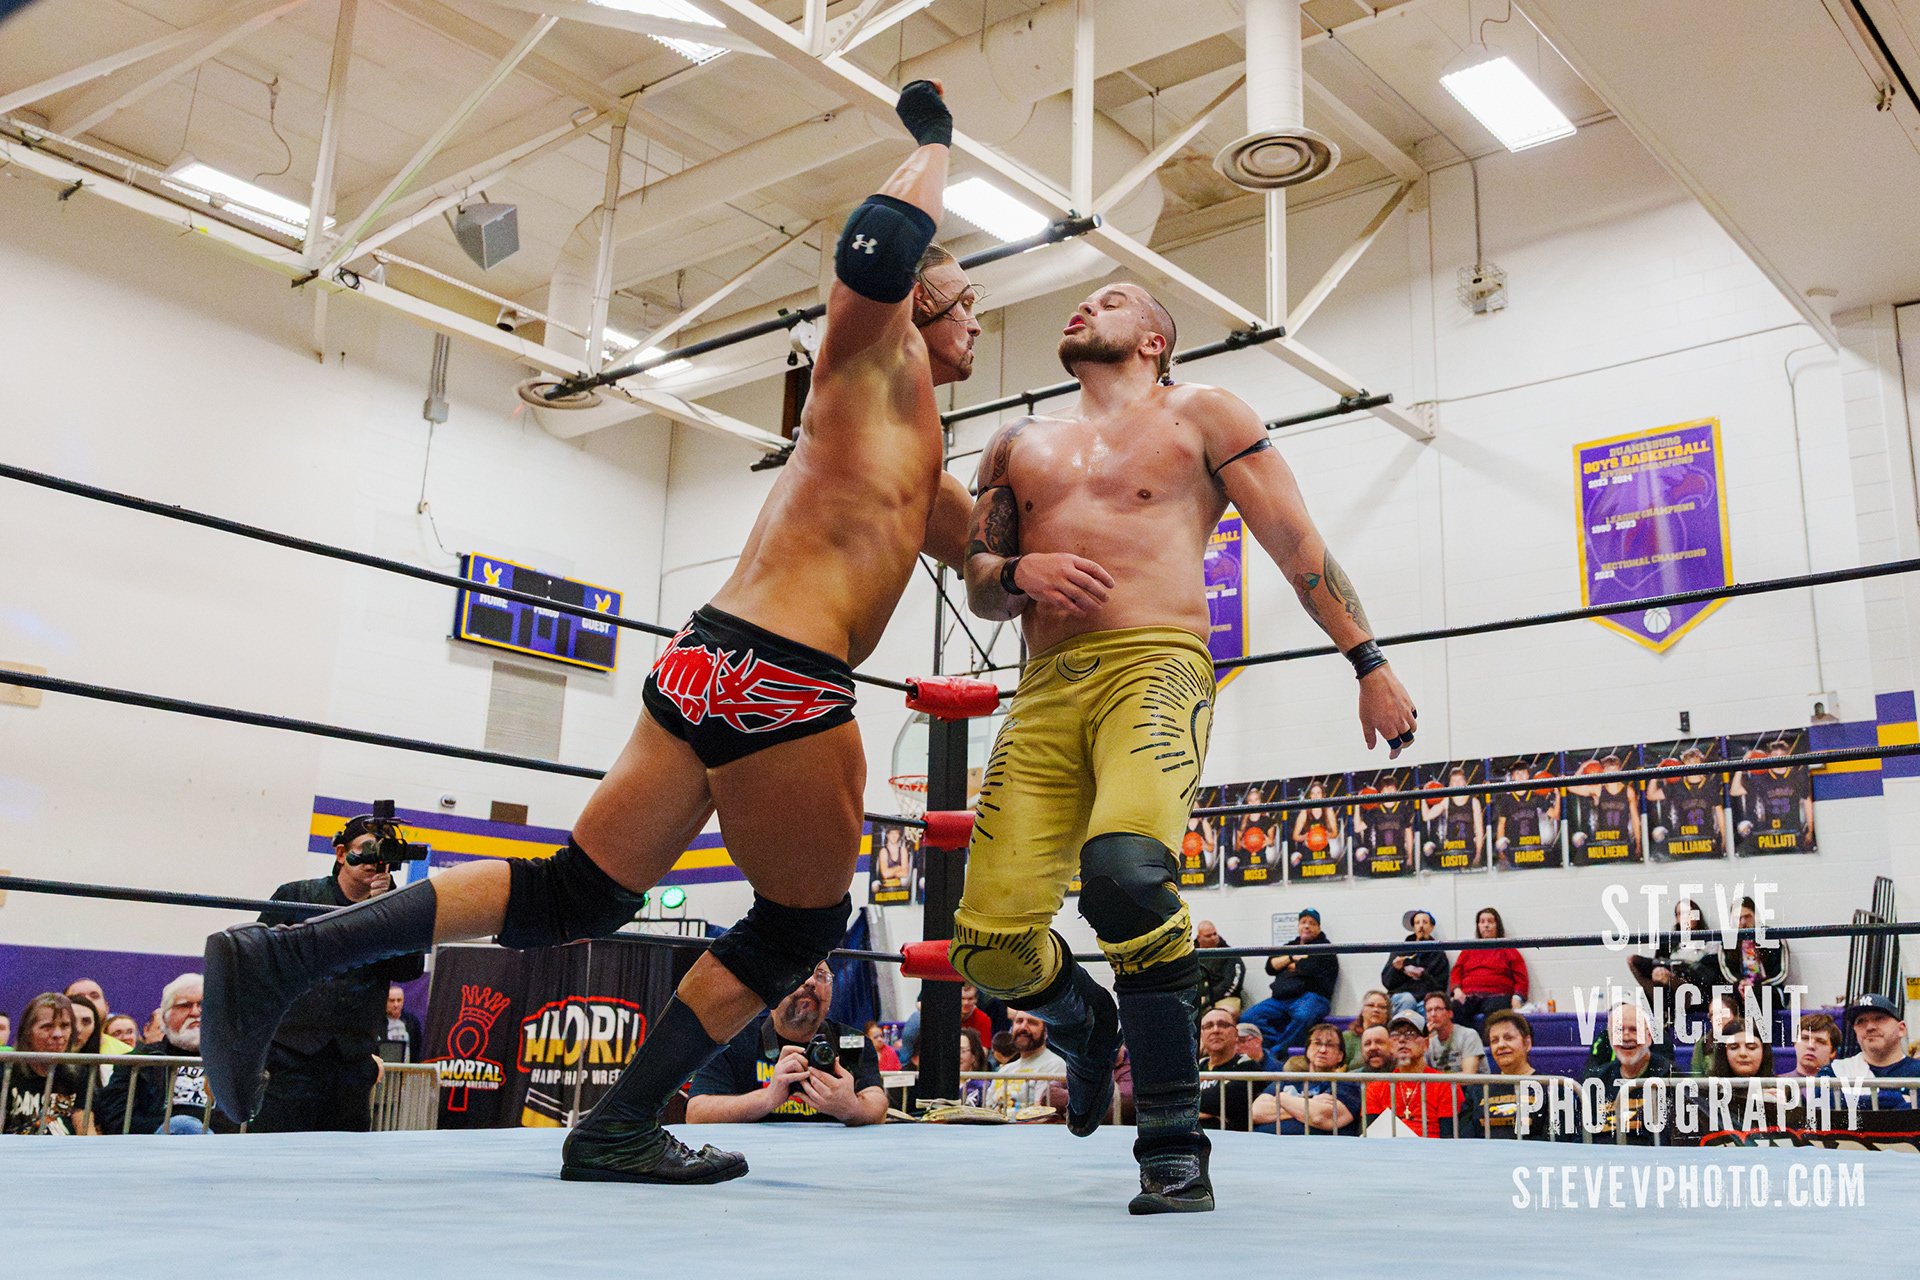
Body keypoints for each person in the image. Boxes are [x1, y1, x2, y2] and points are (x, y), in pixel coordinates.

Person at [201, 82, 980, 1186]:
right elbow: (876, 241)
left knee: (579, 891)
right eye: (966, 299)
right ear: (924, 301)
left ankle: (283, 955)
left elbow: (986, 564)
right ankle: (620, 1123)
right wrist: (936, 143)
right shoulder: (868, 359)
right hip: (783, 675)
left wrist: (1043, 548)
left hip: (706, 659)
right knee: (800, 923)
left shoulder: (913, 446)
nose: (978, 320)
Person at [953, 273, 1416, 1212]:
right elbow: (979, 580)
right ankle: (1086, 1026)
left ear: (1155, 339)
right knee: (989, 949)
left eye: (1114, 298)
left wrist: (1367, 660)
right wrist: (1021, 569)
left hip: (1155, 667)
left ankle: (1170, 1140)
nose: (1087, 305)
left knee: (1126, 876)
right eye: (1084, 299)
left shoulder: (1203, 413)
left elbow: (1294, 540)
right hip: (1044, 691)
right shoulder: (1017, 442)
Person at [239, 819, 427, 1134]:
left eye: (384, 853)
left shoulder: (396, 908)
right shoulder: (297, 895)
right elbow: (254, 964)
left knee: (346, 1154)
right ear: (341, 854)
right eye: (367, 850)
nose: (374, 861)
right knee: (277, 1150)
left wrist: (392, 912)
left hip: (354, 1060)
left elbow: (410, 969)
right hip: (289, 1056)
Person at [686, 962, 886, 1126]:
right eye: (798, 973)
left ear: (831, 994)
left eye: (821, 976)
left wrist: (852, 1108)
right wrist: (767, 1098)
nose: (810, 981)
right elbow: (696, 1113)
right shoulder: (732, 1038)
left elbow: (878, 1105)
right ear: (772, 990)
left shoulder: (853, 1041)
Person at [97, 975, 220, 1135]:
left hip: (222, 1144)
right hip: (157, 1143)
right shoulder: (138, 1061)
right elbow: (117, 1119)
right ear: (165, 1017)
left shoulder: (234, 1062)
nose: (196, 1012)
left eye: (204, 1004)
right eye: (185, 1005)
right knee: (182, 1125)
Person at [1240, 909, 1338, 1062]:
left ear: (1319, 928)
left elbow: (1309, 968)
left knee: (1303, 1016)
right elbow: (1270, 966)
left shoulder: (1326, 948)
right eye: (1303, 922)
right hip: (1281, 999)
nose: (1307, 926)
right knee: (1248, 1017)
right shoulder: (1290, 946)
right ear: (1298, 926)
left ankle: (1277, 1052)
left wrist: (1290, 965)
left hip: (1312, 997)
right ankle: (1278, 1043)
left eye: (1312, 923)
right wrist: (1291, 958)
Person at [1364, 1011, 1464, 1138]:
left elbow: (1448, 1138)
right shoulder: (1375, 1088)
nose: (1402, 1040)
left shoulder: (1445, 1085)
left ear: (1426, 1044)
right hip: (1389, 1148)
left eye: (1410, 1034)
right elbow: (1371, 1139)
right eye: (1395, 1035)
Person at [1582, 1003, 1671, 1145]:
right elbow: (1581, 1136)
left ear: (1649, 1037)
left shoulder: (1669, 1078)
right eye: (1619, 1030)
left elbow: (1668, 1141)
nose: (1626, 1037)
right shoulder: (1596, 1080)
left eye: (1634, 1030)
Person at [1252, 1021, 1360, 1136]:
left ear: (1340, 1056)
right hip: (1266, 1141)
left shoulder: (1346, 1084)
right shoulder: (1290, 1079)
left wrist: (1282, 1098)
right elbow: (1256, 1112)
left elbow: (1320, 1118)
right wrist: (1309, 1103)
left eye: (1330, 1045)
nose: (1322, 1050)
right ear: (1307, 1050)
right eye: (1317, 1043)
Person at [1480, 1010, 1572, 1141]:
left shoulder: (1554, 1089)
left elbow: (1558, 1140)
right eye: (1494, 1040)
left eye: (1508, 1038)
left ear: (1527, 1043)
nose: (1501, 1045)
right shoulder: (1478, 1090)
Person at [1818, 993, 1920, 1111]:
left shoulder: (1917, 1070)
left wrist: (1853, 1102)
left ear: (1901, 1029)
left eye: (1879, 1018)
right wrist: (1895, 1099)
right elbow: (1824, 1103)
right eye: (1861, 1021)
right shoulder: (1835, 1070)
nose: (1870, 1027)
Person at [4, 993, 88, 1135]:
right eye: (47, 1026)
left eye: (65, 1026)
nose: (58, 1034)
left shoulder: (78, 1073)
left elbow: (85, 1130)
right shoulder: (6, 1070)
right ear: (28, 1033)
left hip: (64, 1148)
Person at [1627, 897, 1714, 1033]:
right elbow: (1657, 963)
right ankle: (1664, 1012)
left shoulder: (1711, 939)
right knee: (1633, 961)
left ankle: (1664, 1012)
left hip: (1691, 988)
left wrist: (1674, 974)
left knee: (1666, 979)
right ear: (1677, 918)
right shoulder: (1669, 941)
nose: (1685, 917)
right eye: (1681, 914)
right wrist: (1660, 971)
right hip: (1667, 986)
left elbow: (1708, 974)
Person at [1448, 908, 1527, 1031]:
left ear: (1497, 925)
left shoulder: (1508, 950)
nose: (1486, 925)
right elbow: (1455, 973)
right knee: (1454, 1009)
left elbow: (1521, 977)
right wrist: (1457, 990)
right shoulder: (1468, 950)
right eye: (1482, 922)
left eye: (1490, 922)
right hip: (1469, 997)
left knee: (1495, 1011)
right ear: (1478, 926)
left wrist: (1517, 997)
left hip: (1497, 997)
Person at [1195, 1006, 1261, 1132]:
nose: (1215, 1030)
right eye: (1208, 1026)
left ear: (1236, 1034)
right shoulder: (1197, 1067)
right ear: (1201, 1035)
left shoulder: (1248, 1067)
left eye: (1223, 1025)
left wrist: (1190, 1110)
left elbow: (1227, 1102)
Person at [987, 1011, 1068, 1112]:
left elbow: (1040, 1112)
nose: (1023, 1027)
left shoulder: (1054, 1064)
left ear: (1046, 1033)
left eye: (1032, 1022)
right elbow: (987, 1109)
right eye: (1019, 1021)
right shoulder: (1005, 1069)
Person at [1714, 895, 1790, 1003]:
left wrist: (1755, 986)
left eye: (1747, 916)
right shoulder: (1727, 942)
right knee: (1724, 998)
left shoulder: (1773, 937)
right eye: (1738, 918)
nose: (1743, 922)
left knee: (1757, 994)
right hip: (1740, 986)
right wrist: (1741, 983)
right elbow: (1727, 972)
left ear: (1756, 916)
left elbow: (1782, 973)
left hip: (1769, 987)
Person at [1381, 911, 1449, 1014]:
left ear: (1431, 927)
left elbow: (1441, 986)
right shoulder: (1400, 950)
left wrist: (1422, 975)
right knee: (1407, 999)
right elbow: (1387, 982)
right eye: (1417, 923)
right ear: (1413, 928)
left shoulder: (1438, 954)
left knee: (1430, 1007)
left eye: (1425, 922)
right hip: (1403, 996)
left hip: (1425, 998)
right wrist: (1396, 969)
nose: (1421, 926)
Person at [1422, 991, 1484, 1074]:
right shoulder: (1429, 1042)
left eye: (1438, 1009)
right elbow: (1419, 1073)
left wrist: (1437, 1079)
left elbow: (1468, 1076)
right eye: (1429, 1010)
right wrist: (1422, 1039)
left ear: (1450, 1013)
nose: (1433, 1014)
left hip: (1469, 1083)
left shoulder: (1468, 1035)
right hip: (1442, 1082)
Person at [1194, 921, 1244, 1019]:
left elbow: (1233, 981)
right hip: (1198, 995)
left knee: (1227, 1012)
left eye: (1215, 934)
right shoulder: (1190, 954)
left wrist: (1210, 998)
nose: (1213, 938)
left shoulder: (1229, 953)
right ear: (1199, 938)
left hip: (1224, 996)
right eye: (1208, 936)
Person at [1341, 989, 1391, 1069]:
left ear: (1388, 1013)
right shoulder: (1348, 1037)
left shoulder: (1392, 1037)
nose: (1376, 1010)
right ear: (1362, 1011)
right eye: (1371, 1005)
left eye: (1381, 1007)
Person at [382, 985, 423, 1064]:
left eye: (399, 1000)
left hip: (406, 1067)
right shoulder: (377, 1022)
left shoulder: (412, 1022)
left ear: (403, 1001)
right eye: (392, 1001)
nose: (396, 1005)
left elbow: (417, 1049)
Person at [1793, 1012, 1840, 1077]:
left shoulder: (1845, 1083)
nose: (1811, 1046)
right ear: (1795, 1044)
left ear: (1833, 1052)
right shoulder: (1779, 1081)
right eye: (1805, 1038)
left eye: (1820, 1042)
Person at [957, 1027, 991, 1107]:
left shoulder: (982, 1086)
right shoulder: (942, 1084)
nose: (957, 1055)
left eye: (962, 1050)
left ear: (974, 1056)